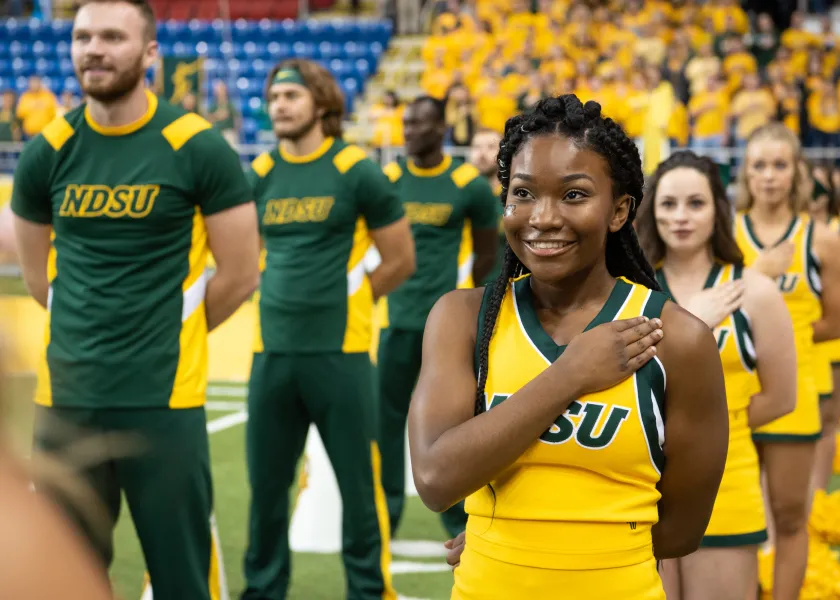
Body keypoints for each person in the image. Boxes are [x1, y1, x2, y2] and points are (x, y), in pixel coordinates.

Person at [408, 95, 729, 599]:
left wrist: (555, 551)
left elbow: (681, 529)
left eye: (574, 195)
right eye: (523, 193)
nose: (543, 217)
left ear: (620, 209)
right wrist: (569, 376)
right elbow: (434, 478)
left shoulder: (678, 340)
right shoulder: (461, 318)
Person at [10, 1, 260, 599]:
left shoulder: (196, 146)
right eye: (83, 36)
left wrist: (169, 335)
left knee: (182, 580)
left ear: (150, 53)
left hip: (162, 403)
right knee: (62, 581)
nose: (94, 48)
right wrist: (87, 329)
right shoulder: (47, 149)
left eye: (113, 37)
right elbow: (38, 278)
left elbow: (240, 274)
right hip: (66, 400)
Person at [243, 59, 415, 600]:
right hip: (270, 354)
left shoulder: (354, 168)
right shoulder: (262, 171)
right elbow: (246, 255)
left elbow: (400, 259)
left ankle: (369, 592)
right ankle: (262, 590)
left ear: (321, 103)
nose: (280, 106)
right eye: (274, 98)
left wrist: (355, 298)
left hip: (340, 357)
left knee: (359, 492)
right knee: (266, 492)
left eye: (291, 96)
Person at [635, 151, 796, 600]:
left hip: (726, 483)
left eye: (695, 203)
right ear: (651, 211)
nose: (681, 217)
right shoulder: (627, 290)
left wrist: (706, 430)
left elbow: (782, 397)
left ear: (717, 210)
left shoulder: (755, 293)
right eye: (668, 204)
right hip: (638, 486)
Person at [378, 95, 499, 539]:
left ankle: (457, 518)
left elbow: (489, 255)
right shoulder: (388, 179)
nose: (409, 131)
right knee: (386, 425)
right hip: (395, 325)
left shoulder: (467, 183)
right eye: (406, 123)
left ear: (441, 128)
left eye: (419, 124)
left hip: (445, 332)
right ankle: (385, 518)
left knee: (455, 425)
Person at [732, 122, 840, 600]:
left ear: (796, 171)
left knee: (789, 514)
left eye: (780, 165)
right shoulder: (726, 235)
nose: (770, 176)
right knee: (734, 511)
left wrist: (780, 339)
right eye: (759, 165)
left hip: (795, 394)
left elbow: (835, 320)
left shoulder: (822, 240)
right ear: (746, 173)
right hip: (734, 391)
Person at [804, 161, 840, 493]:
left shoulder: (833, 233)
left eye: (820, 190)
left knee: (827, 423)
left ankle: (817, 495)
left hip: (830, 344)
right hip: (800, 343)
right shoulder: (794, 231)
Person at [469, 128, 504, 285]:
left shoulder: (515, 197)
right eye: (476, 147)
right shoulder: (460, 195)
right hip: (463, 289)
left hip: (503, 288)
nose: (482, 154)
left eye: (491, 147)